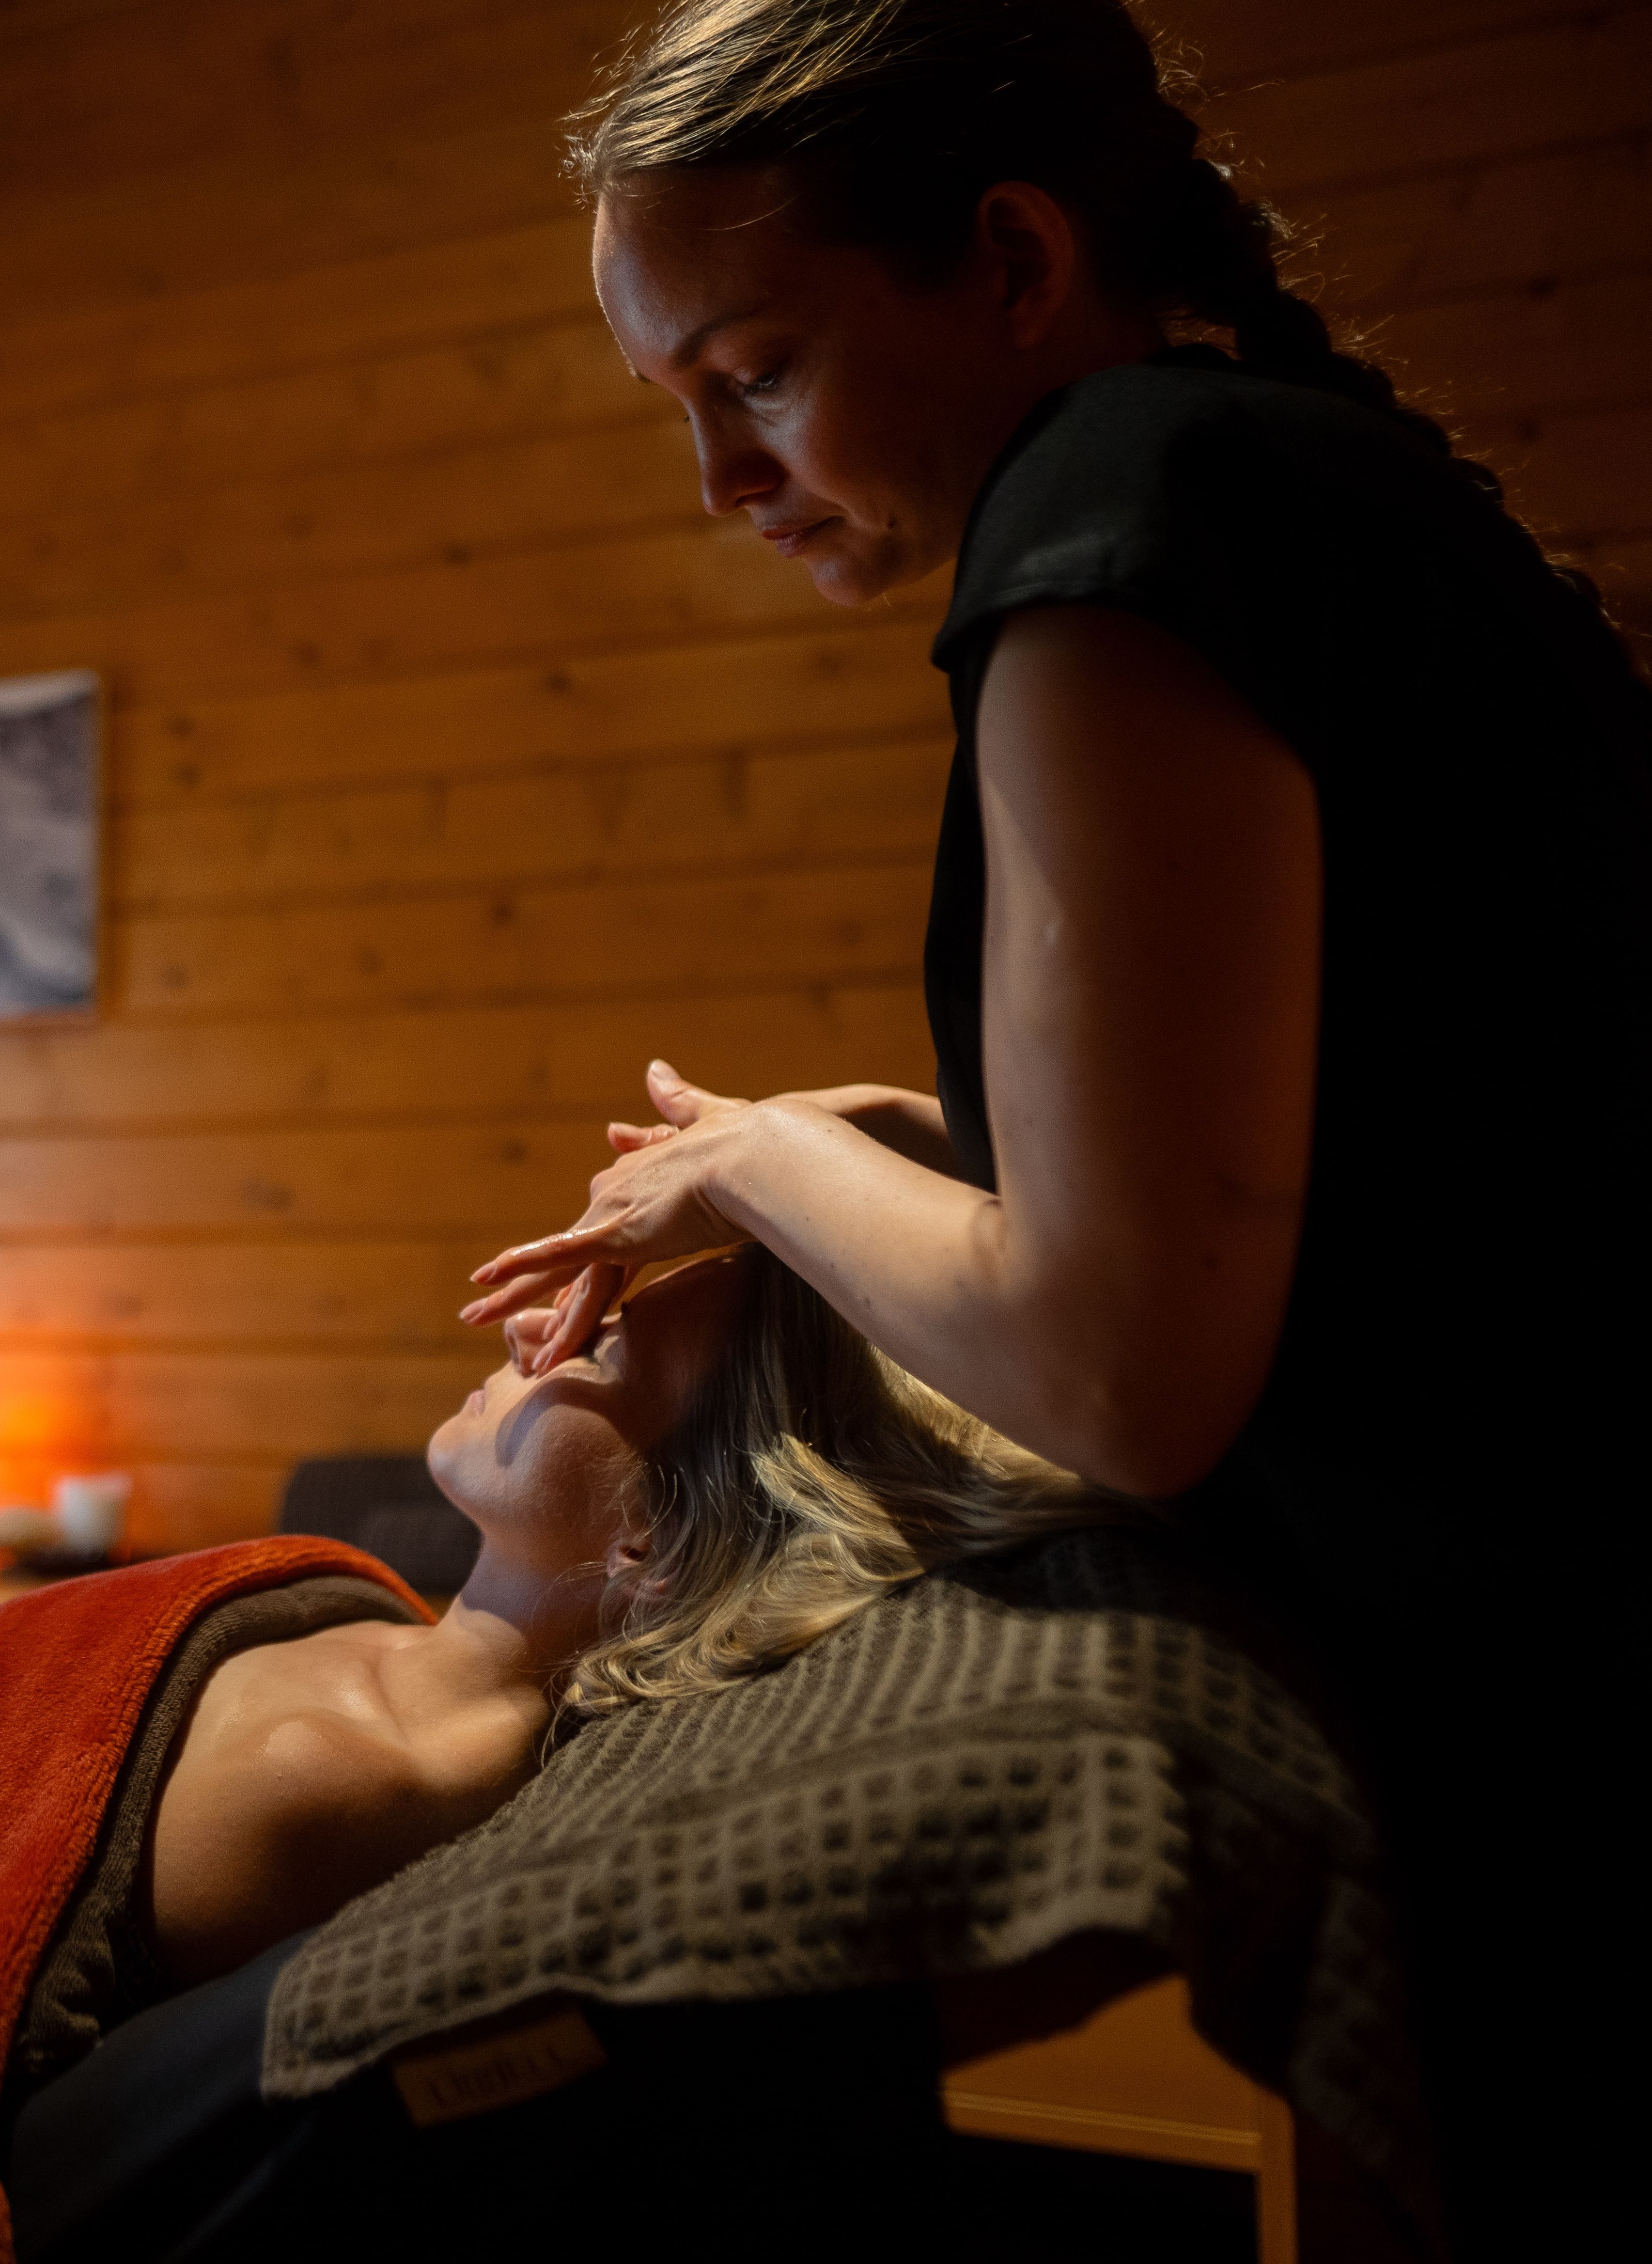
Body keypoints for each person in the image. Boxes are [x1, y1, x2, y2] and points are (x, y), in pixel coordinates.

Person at [457, 2, 1651, 2248]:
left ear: (1012, 258)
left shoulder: (1123, 515)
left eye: (757, 373)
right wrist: (887, 1133)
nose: (719, 478)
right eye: (680, 403)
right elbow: (1365, 1151)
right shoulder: (1293, 476)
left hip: (1552, 1703)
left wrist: (749, 1161)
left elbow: (1124, 1371)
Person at [149, 1243, 1103, 1985]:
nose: (530, 1327)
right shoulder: (358, 1651)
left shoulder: (312, 1776)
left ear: (658, 1539)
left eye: (600, 1346)